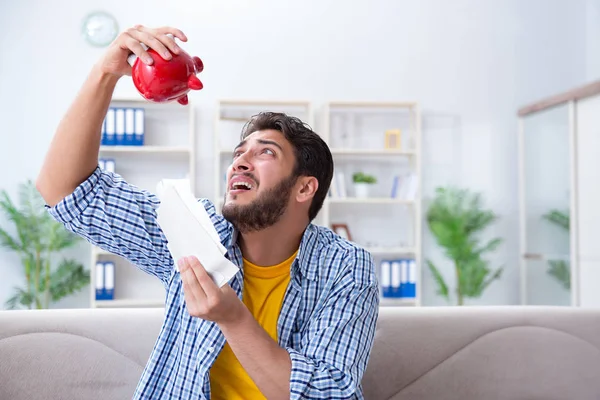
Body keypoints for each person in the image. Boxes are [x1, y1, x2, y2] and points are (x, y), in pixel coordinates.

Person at [36, 25, 379, 400]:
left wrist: (232, 318)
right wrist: (105, 72)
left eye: (265, 152)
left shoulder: (345, 268)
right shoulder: (194, 230)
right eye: (238, 154)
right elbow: (66, 192)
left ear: (305, 187)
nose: (239, 163)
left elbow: (329, 396)